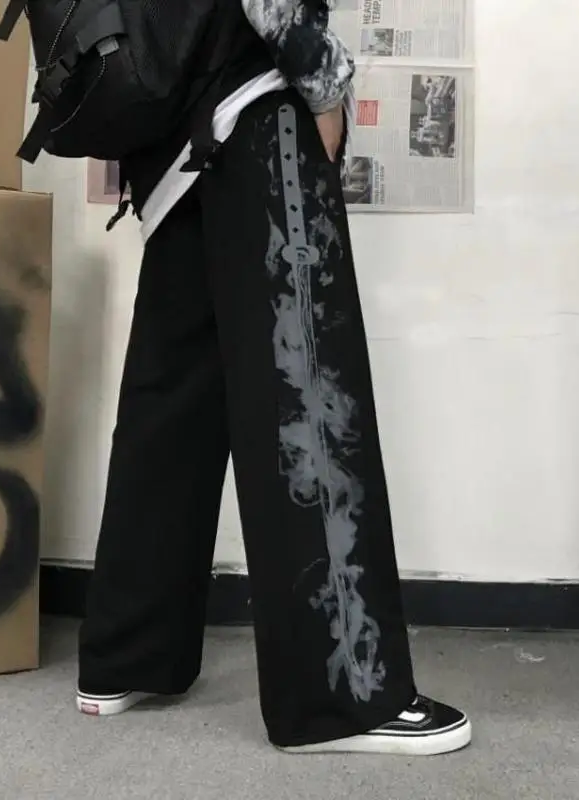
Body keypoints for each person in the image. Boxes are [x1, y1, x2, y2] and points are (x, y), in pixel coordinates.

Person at [76, 0, 472, 756]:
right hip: (255, 110)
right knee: (309, 387)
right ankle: (343, 695)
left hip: (173, 144)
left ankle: (124, 658)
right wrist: (323, 84)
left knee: (173, 402)